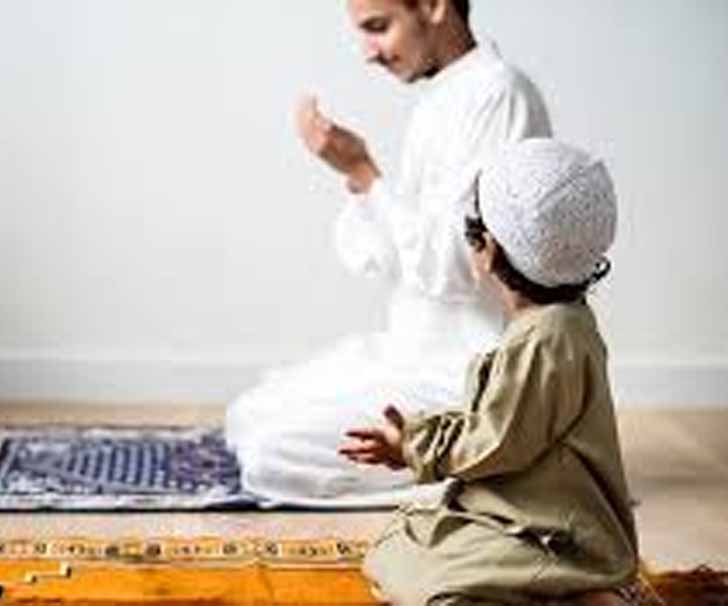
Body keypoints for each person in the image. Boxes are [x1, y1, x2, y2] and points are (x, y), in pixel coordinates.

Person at [225, 0, 552, 506]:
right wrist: (359, 182)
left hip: (463, 373)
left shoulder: (499, 95)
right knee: (247, 417)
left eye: (378, 27)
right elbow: (389, 258)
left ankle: (479, 461)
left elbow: (455, 266)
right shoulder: (440, 99)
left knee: (272, 455)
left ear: (434, 7)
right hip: (408, 352)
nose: (369, 53)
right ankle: (450, 458)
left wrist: (365, 172)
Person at [340, 138, 638, 605]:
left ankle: (580, 589)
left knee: (425, 579)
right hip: (520, 515)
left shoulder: (546, 338)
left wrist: (415, 446)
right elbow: (501, 423)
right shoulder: (559, 324)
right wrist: (416, 439)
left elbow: (497, 439)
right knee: (400, 542)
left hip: (557, 535)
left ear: (489, 250)